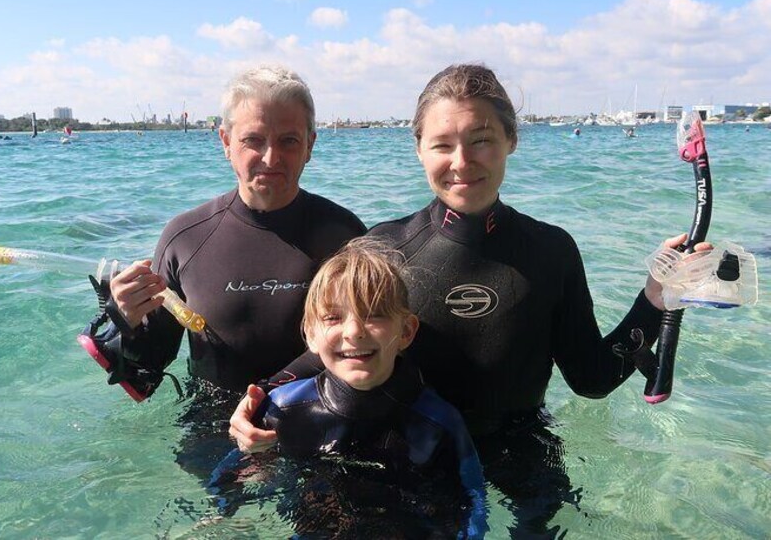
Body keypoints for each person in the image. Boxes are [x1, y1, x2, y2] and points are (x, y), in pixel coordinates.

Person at [229, 63, 703, 536]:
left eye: (480, 140)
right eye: (442, 144)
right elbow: (339, 344)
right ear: (419, 149)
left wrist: (653, 298)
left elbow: (592, 379)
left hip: (523, 451)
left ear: (510, 139)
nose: (462, 161)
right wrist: (262, 398)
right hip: (408, 455)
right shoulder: (386, 248)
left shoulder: (550, 250)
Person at [93, 64, 366, 399]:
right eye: (253, 140)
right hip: (212, 431)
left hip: (317, 428)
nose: (270, 157)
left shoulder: (345, 236)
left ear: (310, 145)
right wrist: (126, 317)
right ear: (226, 142)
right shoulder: (185, 239)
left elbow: (371, 352)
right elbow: (146, 374)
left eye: (289, 141)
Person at [211, 238, 487, 538]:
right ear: (311, 335)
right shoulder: (283, 409)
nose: (354, 332)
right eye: (333, 317)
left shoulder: (439, 422)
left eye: (374, 314)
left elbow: (472, 504)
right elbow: (228, 481)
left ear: (406, 331)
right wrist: (245, 481)